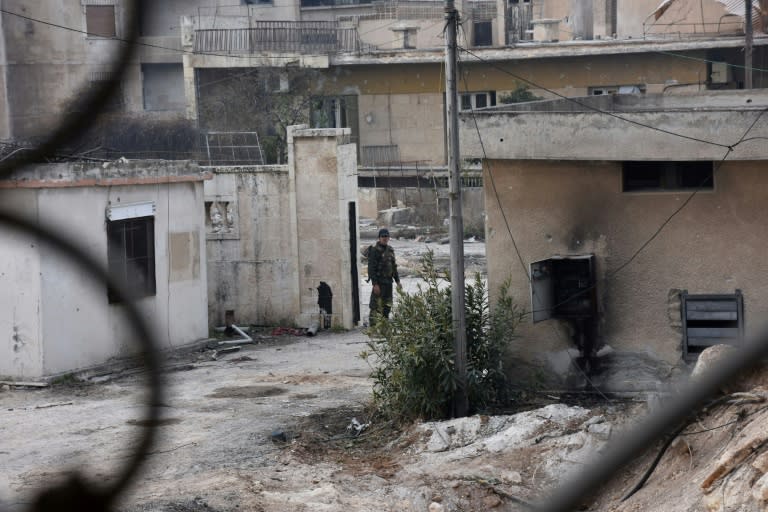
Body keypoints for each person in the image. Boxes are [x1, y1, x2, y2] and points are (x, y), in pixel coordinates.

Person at [368, 227, 402, 326]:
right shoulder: (374, 250)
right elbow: (371, 269)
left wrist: (398, 281)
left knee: (387, 305)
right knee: (375, 305)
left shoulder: (390, 250)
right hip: (379, 283)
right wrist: (375, 284)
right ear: (379, 238)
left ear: (388, 238)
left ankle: (384, 326)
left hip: (388, 283)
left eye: (386, 236)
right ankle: (373, 328)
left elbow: (394, 267)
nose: (385, 238)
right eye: (383, 236)